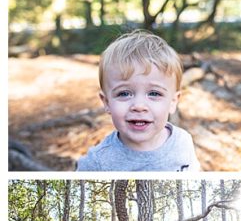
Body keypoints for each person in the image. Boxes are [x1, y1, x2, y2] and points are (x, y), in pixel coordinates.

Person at [76, 30, 201, 172]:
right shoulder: (97, 163)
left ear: (173, 101)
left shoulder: (182, 142)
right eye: (124, 93)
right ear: (107, 102)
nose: (139, 106)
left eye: (154, 93)